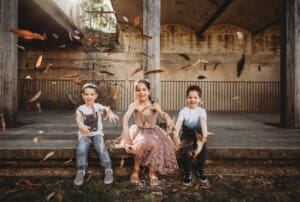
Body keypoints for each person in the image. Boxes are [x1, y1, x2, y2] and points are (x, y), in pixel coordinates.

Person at [120, 79, 178, 186]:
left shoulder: (153, 105)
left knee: (155, 142)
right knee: (141, 142)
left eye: (144, 90)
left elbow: (163, 113)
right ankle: (136, 169)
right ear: (135, 92)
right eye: (138, 90)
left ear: (149, 91)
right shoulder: (134, 105)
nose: (141, 92)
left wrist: (168, 119)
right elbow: (126, 116)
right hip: (138, 131)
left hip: (153, 131)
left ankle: (152, 170)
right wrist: (125, 129)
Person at [74, 83, 119, 186]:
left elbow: (106, 108)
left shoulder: (97, 106)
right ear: (82, 96)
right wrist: (81, 126)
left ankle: (108, 169)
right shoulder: (80, 109)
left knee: (100, 146)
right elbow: (78, 120)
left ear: (96, 96)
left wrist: (110, 112)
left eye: (91, 94)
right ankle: (81, 170)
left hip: (97, 134)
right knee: (81, 148)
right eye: (86, 94)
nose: (89, 97)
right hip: (84, 135)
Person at [173, 85, 208, 186]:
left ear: (200, 99)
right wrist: (176, 136)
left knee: (203, 152)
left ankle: (200, 169)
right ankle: (187, 171)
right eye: (190, 97)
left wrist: (204, 135)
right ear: (186, 98)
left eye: (195, 97)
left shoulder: (201, 111)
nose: (192, 100)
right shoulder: (183, 111)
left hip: (199, 135)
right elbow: (178, 125)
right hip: (187, 135)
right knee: (187, 151)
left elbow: (203, 123)